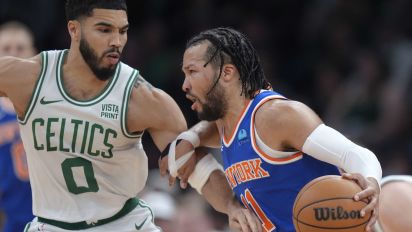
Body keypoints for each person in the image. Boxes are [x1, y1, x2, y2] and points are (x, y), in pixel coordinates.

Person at [0, 2, 261, 232]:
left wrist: (230, 206)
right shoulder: (28, 78)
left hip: (122, 224)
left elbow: (193, 164)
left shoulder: (142, 98)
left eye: (122, 31)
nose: (116, 41)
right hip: (51, 224)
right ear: (74, 30)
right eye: (104, 30)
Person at [161, 27, 382, 232]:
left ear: (227, 73)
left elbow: (355, 154)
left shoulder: (276, 116)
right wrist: (191, 138)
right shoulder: (225, 125)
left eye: (192, 72)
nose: (185, 85)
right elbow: (203, 145)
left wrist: (371, 181)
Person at [0, 21, 36, 232]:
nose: (13, 54)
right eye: (6, 49)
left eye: (20, 48)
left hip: (57, 219)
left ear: (34, 54)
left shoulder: (54, 105)